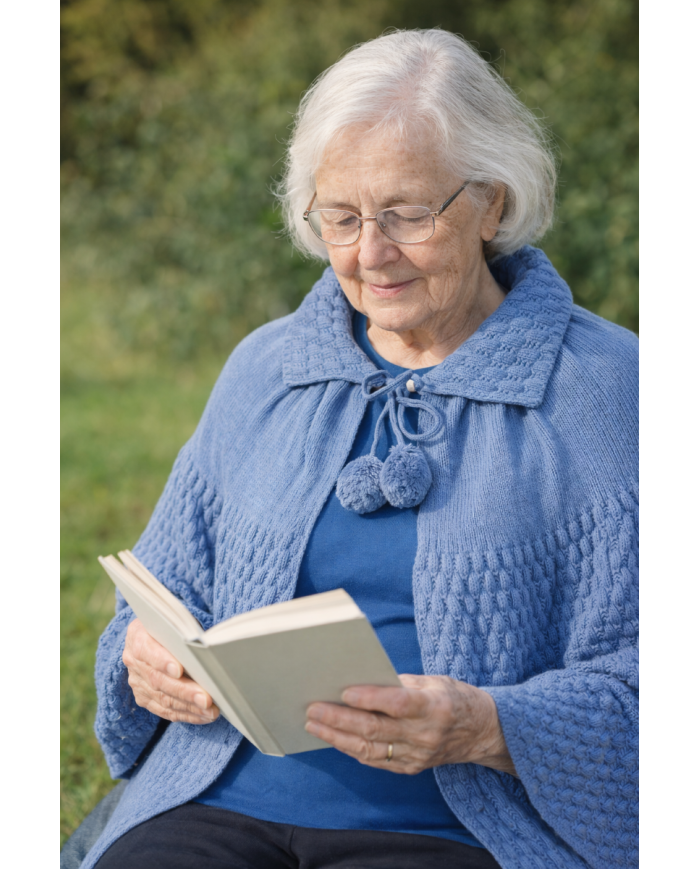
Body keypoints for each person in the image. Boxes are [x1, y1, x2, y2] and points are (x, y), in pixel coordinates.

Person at [79, 28, 638, 869]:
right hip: (218, 803)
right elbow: (159, 593)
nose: (370, 253)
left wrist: (492, 726)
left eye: (408, 214)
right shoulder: (266, 368)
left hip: (450, 828)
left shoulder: (608, 389)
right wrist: (146, 659)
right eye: (340, 216)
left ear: (493, 201)